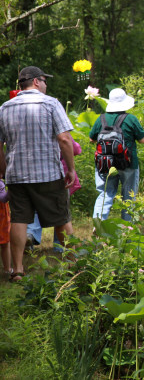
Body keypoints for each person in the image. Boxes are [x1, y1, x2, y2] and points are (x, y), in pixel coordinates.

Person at [0, 66, 76, 282]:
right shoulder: (50, 103)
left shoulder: (4, 107)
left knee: (19, 219)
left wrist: (5, 172)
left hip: (17, 176)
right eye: (44, 80)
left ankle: (17, 270)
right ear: (35, 81)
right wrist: (70, 169)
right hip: (48, 174)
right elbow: (64, 139)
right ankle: (73, 263)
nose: (45, 84)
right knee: (61, 218)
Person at [91, 88, 144, 221]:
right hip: (128, 163)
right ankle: (126, 227)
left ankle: (98, 223)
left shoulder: (101, 119)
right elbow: (143, 140)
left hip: (105, 163)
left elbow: (91, 139)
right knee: (129, 195)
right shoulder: (131, 119)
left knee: (105, 193)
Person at [27, 139, 83, 251]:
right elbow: (75, 149)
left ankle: (30, 234)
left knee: (35, 207)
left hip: (34, 173)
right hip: (59, 175)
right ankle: (60, 246)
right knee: (61, 211)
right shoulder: (58, 130)